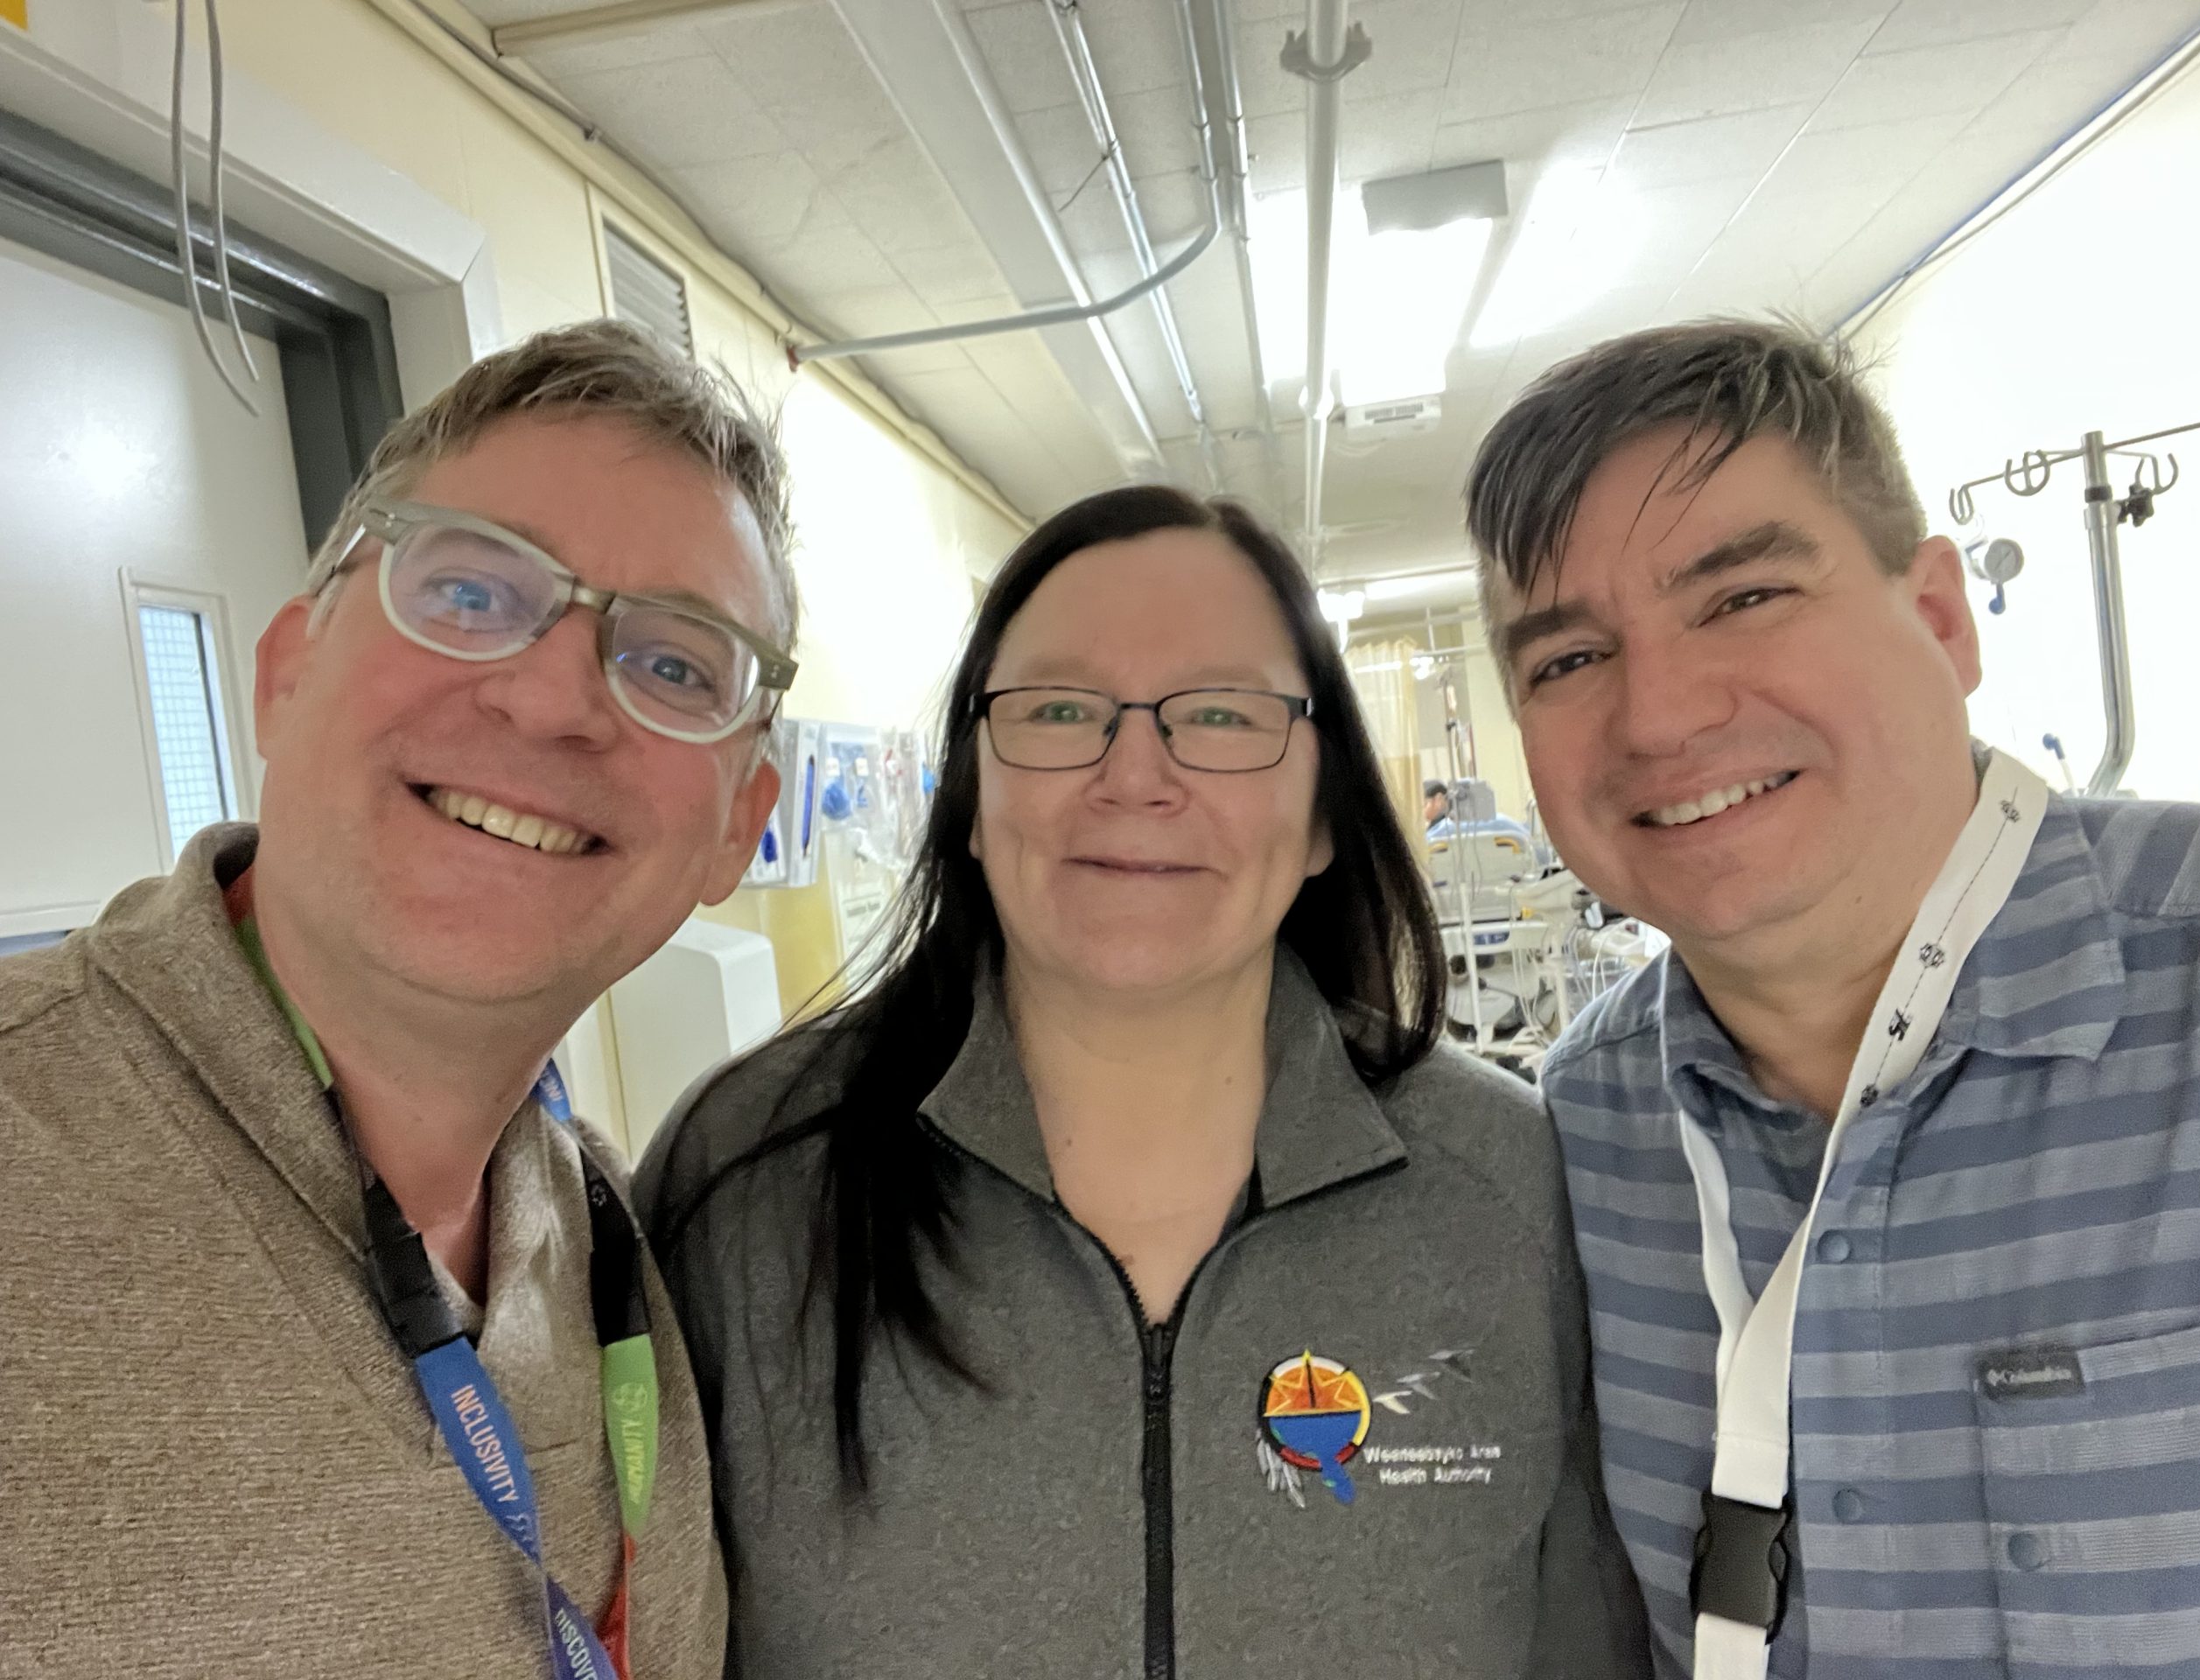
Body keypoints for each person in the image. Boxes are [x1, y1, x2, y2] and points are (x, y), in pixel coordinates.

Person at [634, 485, 1650, 1678]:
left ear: (1322, 817)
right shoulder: (747, 1178)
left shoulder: (1507, 1193)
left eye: (1220, 715)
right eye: (1061, 710)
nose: (1134, 776)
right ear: (973, 799)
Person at [0, 319, 796, 1679]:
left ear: (738, 828)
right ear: (286, 673)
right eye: (472, 590)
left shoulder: (618, 1243)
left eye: (675, 664)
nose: (553, 698)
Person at [1465, 317, 2200, 1680]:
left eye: (1742, 598)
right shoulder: (1575, 1140)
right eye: (1568, 661)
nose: (1659, 719)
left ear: (1939, 617)